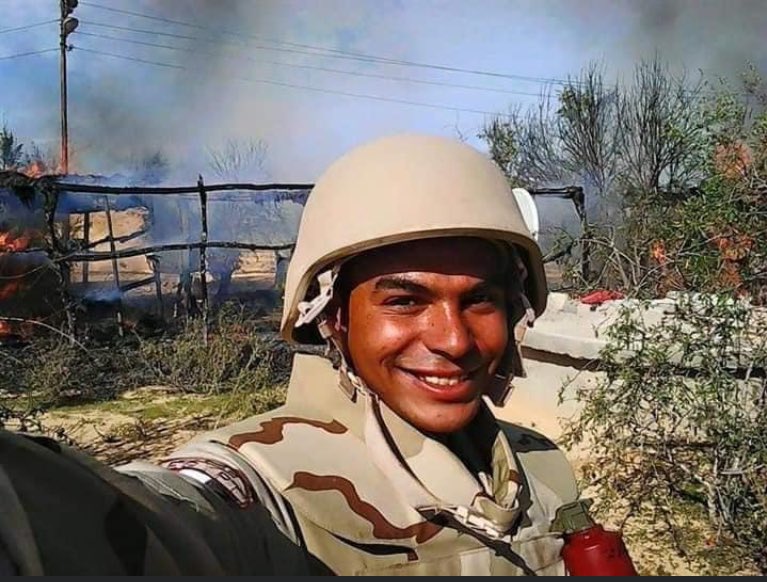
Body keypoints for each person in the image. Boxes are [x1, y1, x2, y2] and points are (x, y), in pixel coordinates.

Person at [0, 134, 579, 575]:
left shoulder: (540, 469)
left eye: (480, 300)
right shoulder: (265, 486)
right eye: (404, 301)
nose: (454, 340)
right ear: (331, 317)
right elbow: (160, 518)